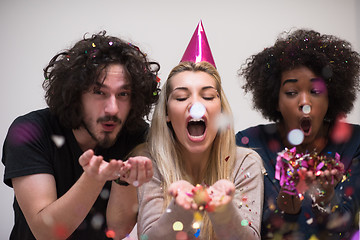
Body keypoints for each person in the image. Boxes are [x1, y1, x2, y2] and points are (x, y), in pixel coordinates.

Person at [112, 21, 264, 240]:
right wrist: (180, 209)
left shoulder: (245, 162)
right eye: (182, 97)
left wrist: (223, 210)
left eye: (208, 96)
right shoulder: (148, 161)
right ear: (166, 114)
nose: (196, 106)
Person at [2, 31, 160, 240]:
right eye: (99, 92)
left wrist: (125, 181)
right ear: (75, 95)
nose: (112, 108)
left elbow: (118, 230)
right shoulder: (31, 131)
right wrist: (94, 179)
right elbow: (46, 233)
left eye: (123, 94)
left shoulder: (136, 135)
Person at [236, 29, 360, 239]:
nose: (304, 103)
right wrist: (285, 211)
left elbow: (348, 229)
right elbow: (244, 229)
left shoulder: (353, 141)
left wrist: (326, 201)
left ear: (331, 97)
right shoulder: (249, 144)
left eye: (316, 91)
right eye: (292, 92)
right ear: (276, 100)